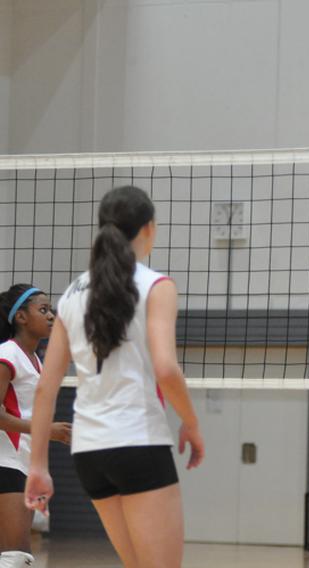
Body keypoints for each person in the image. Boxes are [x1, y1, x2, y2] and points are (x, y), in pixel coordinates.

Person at [25, 185, 205, 568]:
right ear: (149, 229)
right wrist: (191, 422)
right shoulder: (157, 285)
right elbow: (166, 369)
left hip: (90, 453)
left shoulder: (71, 295)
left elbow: (46, 388)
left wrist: (38, 466)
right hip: (138, 442)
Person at [0, 285, 71, 567]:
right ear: (21, 318)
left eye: (51, 310)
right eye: (43, 310)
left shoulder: (36, 361)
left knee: (13, 555)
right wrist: (47, 430)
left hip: (23, 463)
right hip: (6, 462)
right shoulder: (8, 354)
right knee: (17, 557)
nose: (51, 315)